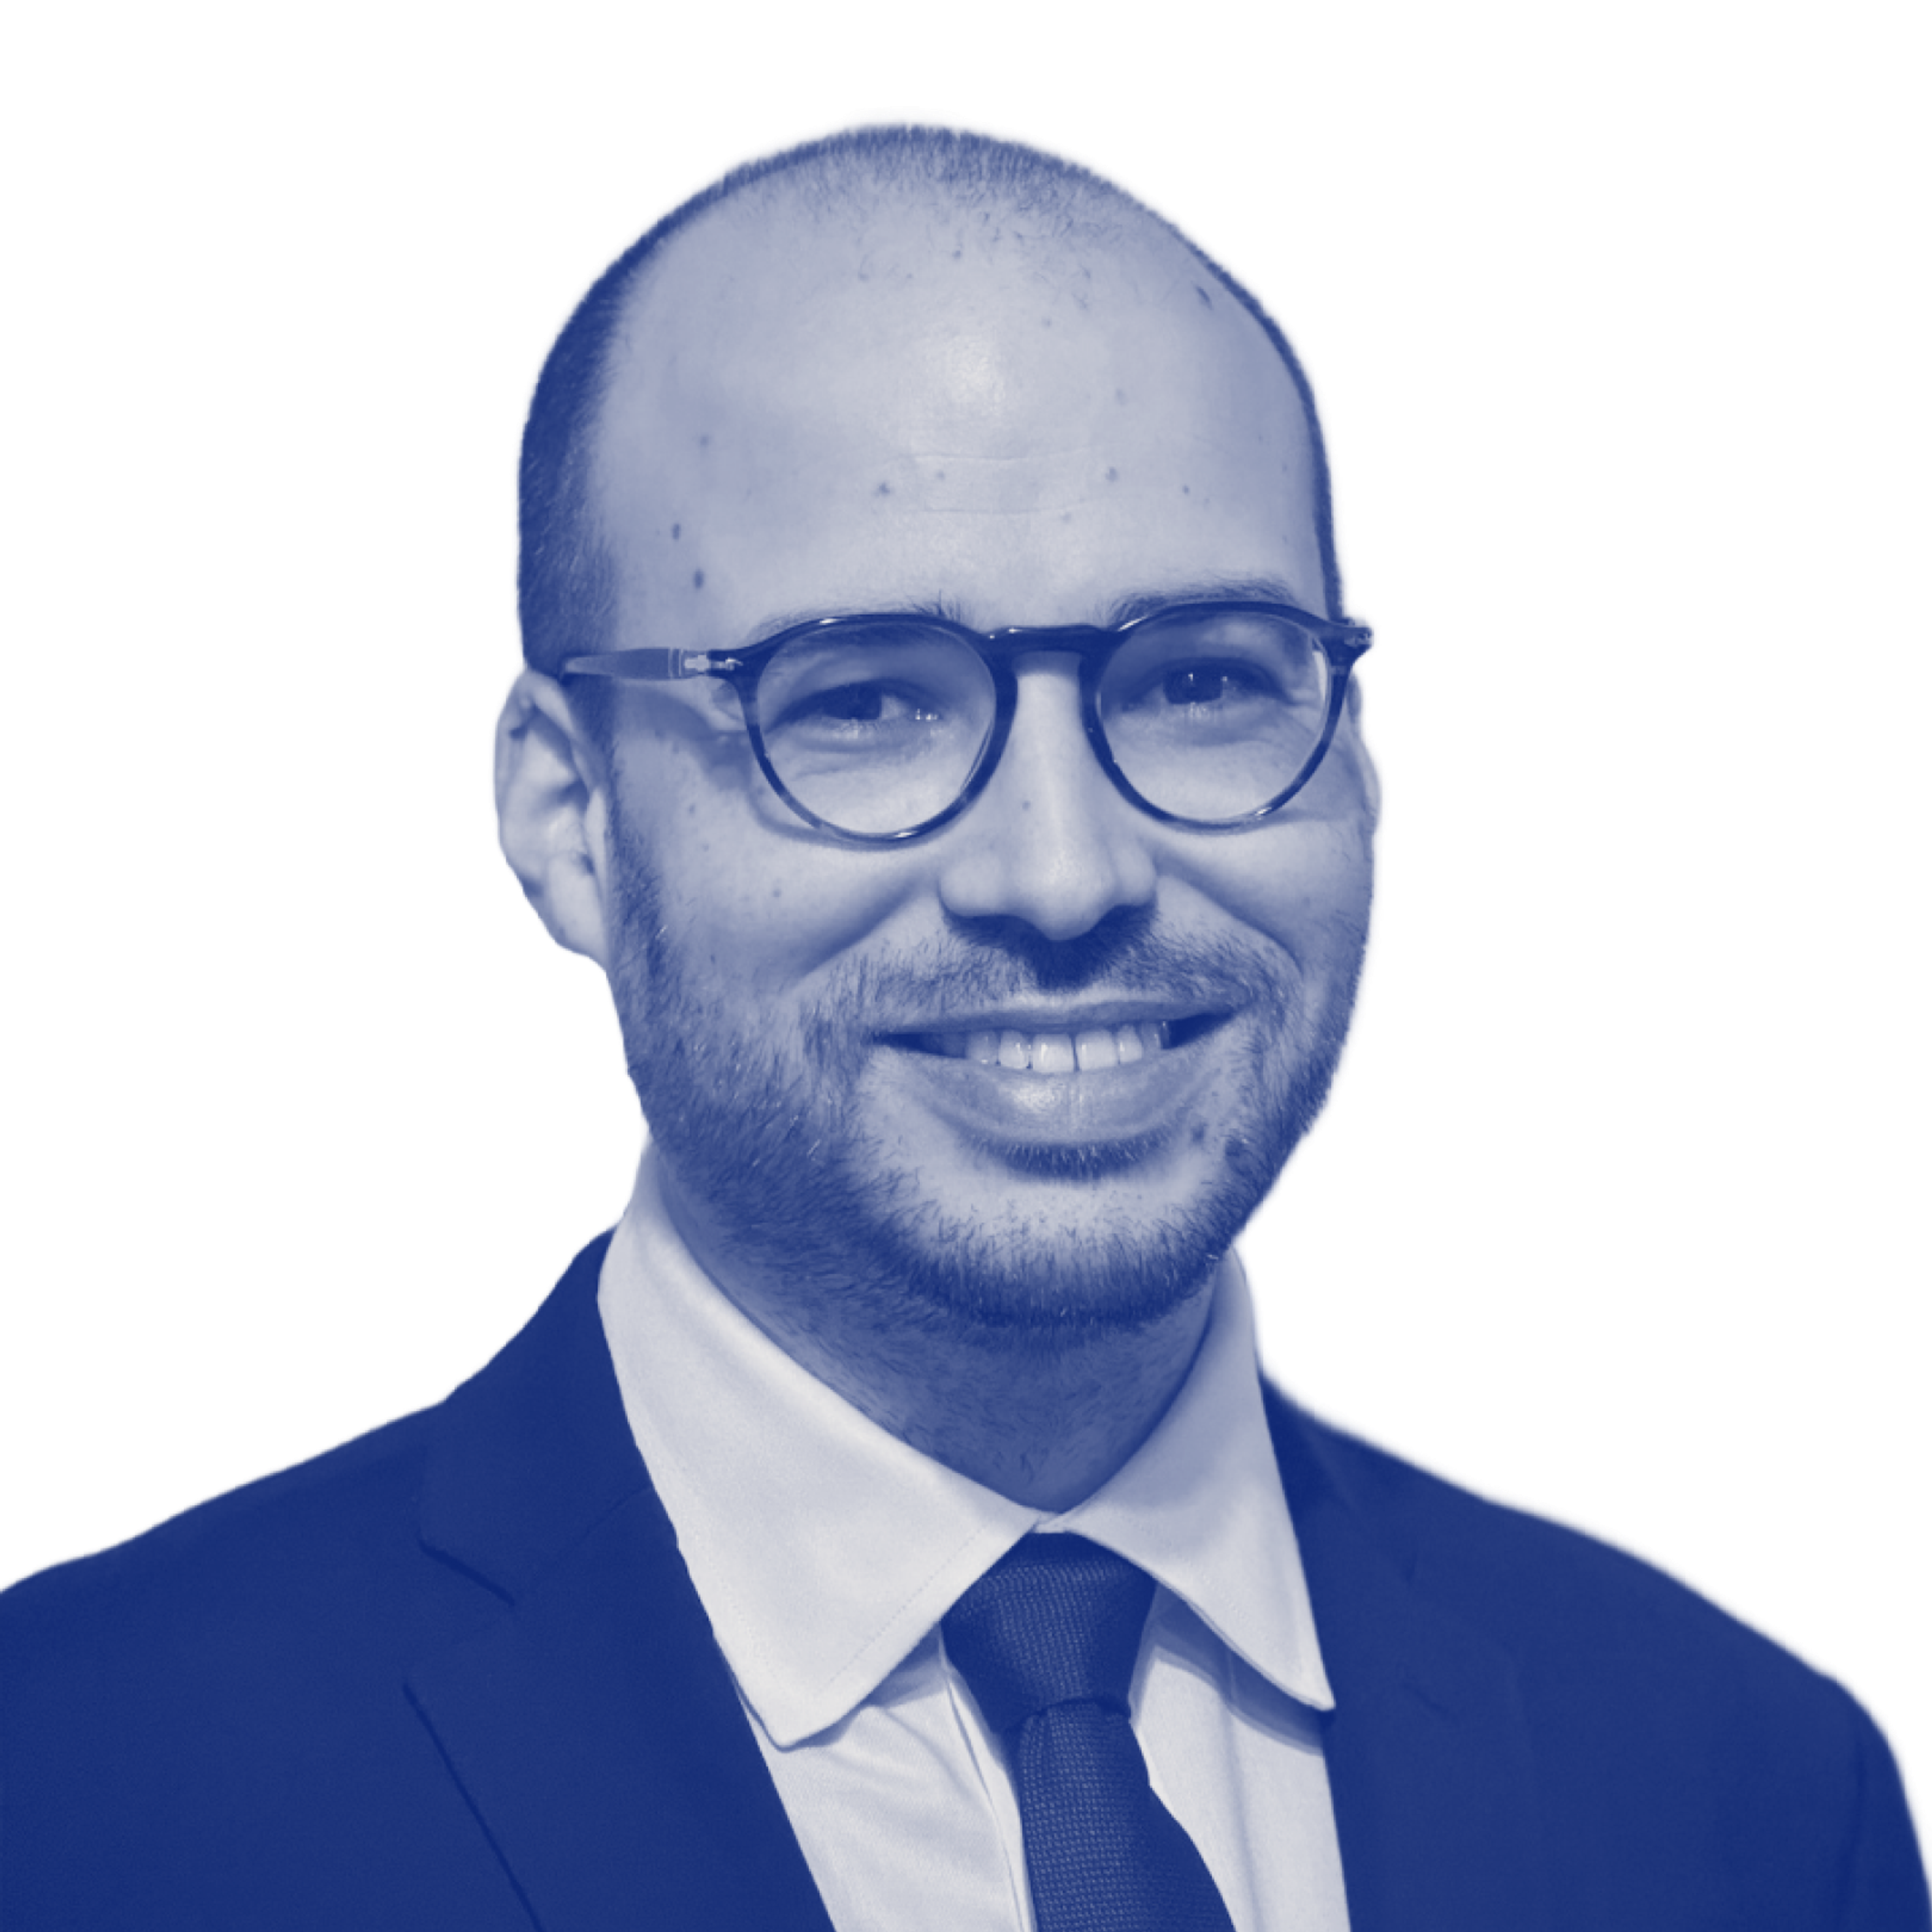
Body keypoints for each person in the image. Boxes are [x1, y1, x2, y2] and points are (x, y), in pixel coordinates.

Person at [3, 111, 1926, 1932]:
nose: (1065, 871)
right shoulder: (69, 1784)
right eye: (861, 701)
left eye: (1201, 680)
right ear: (569, 818)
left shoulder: (1749, 1792)